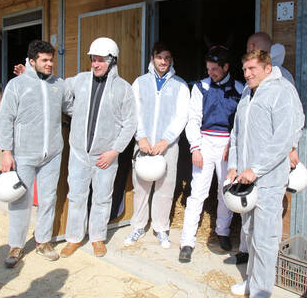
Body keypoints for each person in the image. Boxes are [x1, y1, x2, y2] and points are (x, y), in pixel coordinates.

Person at [228, 50, 304, 297]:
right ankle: (251, 280)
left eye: (252, 69)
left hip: (269, 179)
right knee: (249, 232)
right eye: (245, 70)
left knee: (265, 235)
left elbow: (283, 139)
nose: (247, 74)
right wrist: (234, 164)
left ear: (268, 68)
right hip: (246, 178)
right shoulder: (247, 93)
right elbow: (236, 133)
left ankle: (262, 289)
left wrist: (256, 169)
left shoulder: (281, 92)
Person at [0, 40, 73, 268]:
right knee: (20, 200)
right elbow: (5, 118)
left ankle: (43, 241)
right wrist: (6, 151)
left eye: (52, 60)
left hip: (52, 153)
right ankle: (16, 245)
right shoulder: (17, 85)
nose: (50, 64)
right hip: (24, 153)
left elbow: (71, 109)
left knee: (49, 198)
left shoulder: (59, 85)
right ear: (32, 62)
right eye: (45, 60)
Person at [60, 37, 137, 258]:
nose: (95, 64)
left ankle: (97, 238)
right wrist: (76, 113)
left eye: (100, 60)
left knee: (102, 198)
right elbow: (61, 92)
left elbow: (130, 123)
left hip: (106, 156)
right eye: (93, 60)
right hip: (79, 153)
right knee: (76, 196)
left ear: (112, 61)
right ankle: (74, 238)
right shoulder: (80, 80)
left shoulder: (124, 89)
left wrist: (114, 151)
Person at [178, 46, 243, 262]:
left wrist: (232, 145)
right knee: (198, 191)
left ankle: (222, 232)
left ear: (226, 67)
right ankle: (187, 241)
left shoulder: (240, 89)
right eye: (208, 68)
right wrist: (195, 147)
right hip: (205, 140)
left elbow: (241, 123)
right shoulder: (201, 87)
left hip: (227, 143)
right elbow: (194, 118)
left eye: (215, 69)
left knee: (226, 191)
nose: (210, 73)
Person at [123, 42, 190, 249]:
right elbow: (134, 111)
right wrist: (141, 137)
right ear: (152, 58)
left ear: (171, 60)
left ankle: (161, 228)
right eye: (160, 57)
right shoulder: (140, 82)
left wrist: (166, 140)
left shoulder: (180, 85)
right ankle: (138, 226)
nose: (163, 61)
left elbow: (182, 116)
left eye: (167, 58)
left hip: (167, 146)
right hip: (143, 144)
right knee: (141, 186)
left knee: (166, 186)